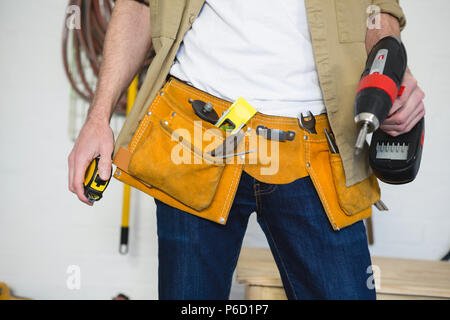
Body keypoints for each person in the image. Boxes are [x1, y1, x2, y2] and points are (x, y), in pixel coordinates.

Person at [68, 0, 425, 299]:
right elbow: (138, 5)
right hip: (195, 137)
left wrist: (392, 66)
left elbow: (379, 8)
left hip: (317, 142)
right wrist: (97, 118)